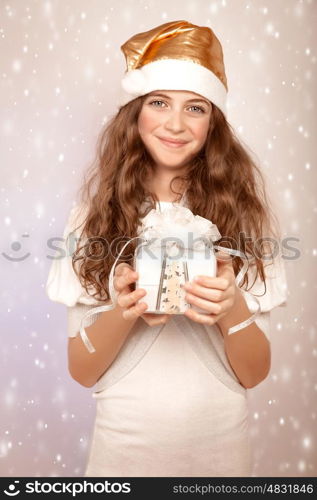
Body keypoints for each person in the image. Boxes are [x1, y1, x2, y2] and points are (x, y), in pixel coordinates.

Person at [45, 20, 288, 477]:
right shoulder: (91, 220)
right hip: (122, 456)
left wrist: (231, 306)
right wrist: (125, 310)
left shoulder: (244, 217)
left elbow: (254, 374)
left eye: (195, 107)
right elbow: (83, 371)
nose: (176, 124)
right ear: (135, 113)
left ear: (213, 121)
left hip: (222, 456)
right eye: (159, 103)